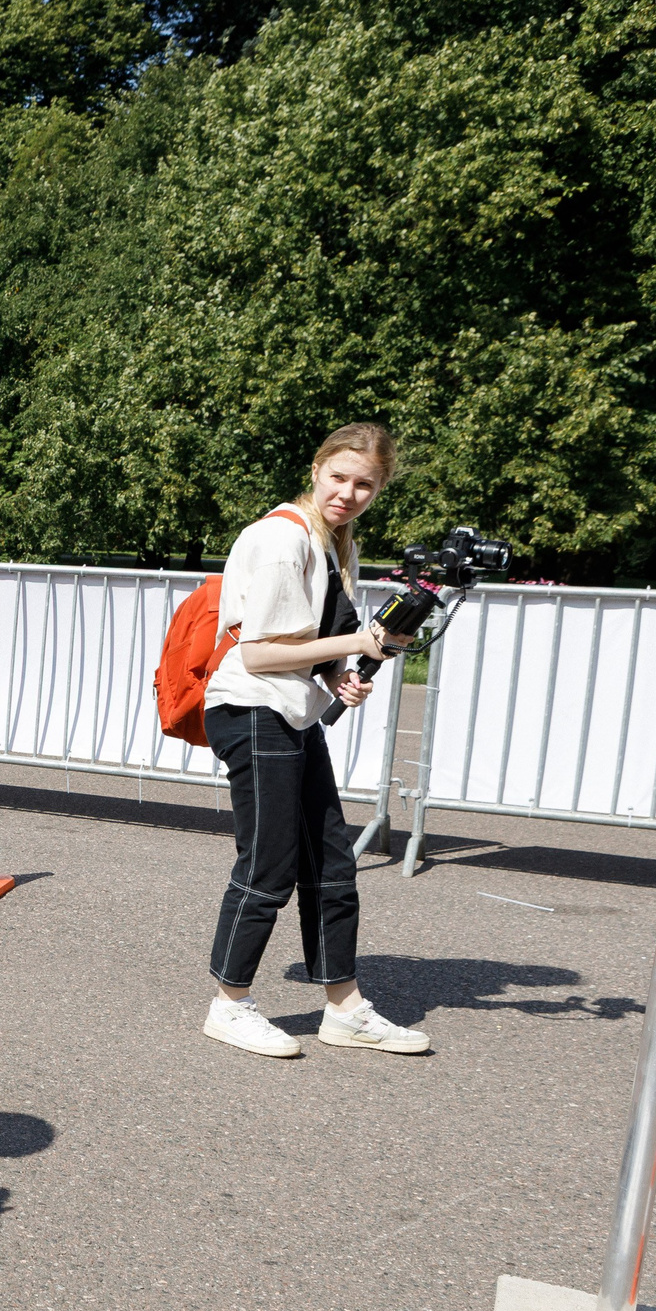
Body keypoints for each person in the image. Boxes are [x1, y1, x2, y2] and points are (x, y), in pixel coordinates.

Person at [201, 422, 429, 1060]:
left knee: (332, 862)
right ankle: (229, 1004)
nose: (349, 493)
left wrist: (337, 675)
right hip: (251, 708)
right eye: (340, 478)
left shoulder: (335, 543)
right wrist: (359, 645)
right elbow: (260, 652)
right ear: (316, 469)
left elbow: (306, 645)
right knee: (268, 863)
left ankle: (345, 1008)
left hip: (290, 712)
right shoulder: (282, 538)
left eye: (365, 484)